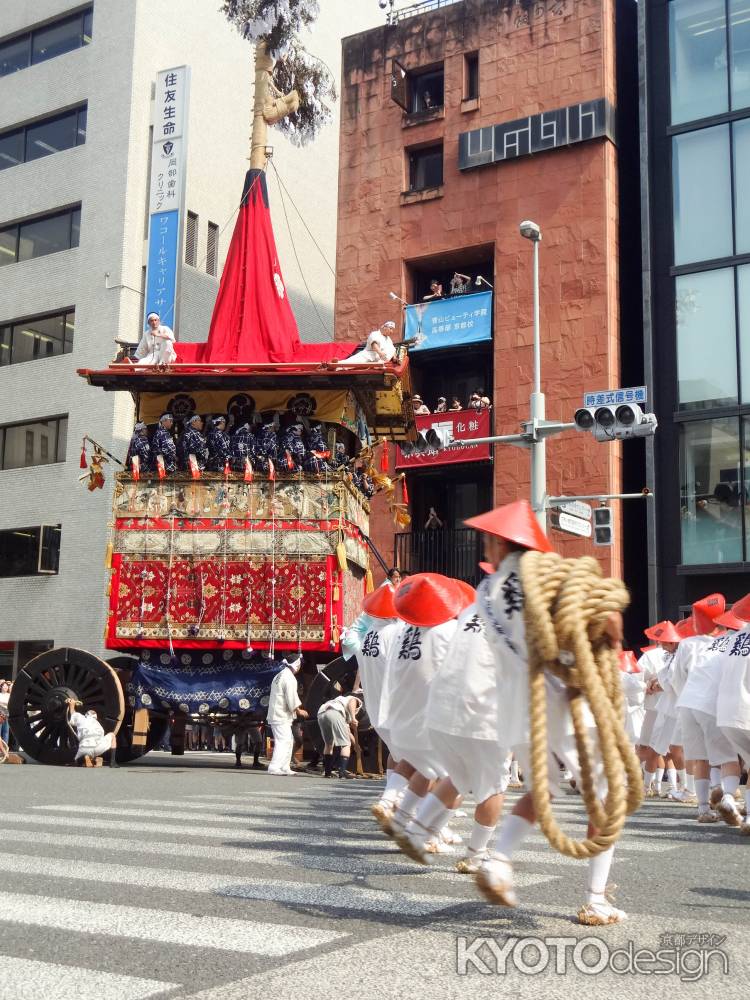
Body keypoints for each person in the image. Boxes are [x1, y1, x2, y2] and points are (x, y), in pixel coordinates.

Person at [465, 499, 630, 926]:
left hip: (519, 709)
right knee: (604, 797)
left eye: (489, 540)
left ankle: (498, 862)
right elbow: (607, 622)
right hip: (564, 699)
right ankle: (596, 899)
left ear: (503, 545)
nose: (485, 547)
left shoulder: (485, 592)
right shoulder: (552, 577)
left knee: (542, 790)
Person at [266, 657, 308, 775]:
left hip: (278, 712)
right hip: (280, 714)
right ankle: (274, 767)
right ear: (296, 665)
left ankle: (285, 766)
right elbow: (291, 697)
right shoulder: (289, 678)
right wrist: (298, 710)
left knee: (289, 740)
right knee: (283, 740)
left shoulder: (280, 675)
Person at [317, 693, 361, 778]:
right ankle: (342, 772)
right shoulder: (354, 699)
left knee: (329, 744)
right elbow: (353, 701)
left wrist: (356, 745)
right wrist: (353, 718)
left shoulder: (338, 700)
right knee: (346, 744)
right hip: (335, 712)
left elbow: (347, 732)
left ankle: (327, 773)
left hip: (322, 713)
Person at [66, 699, 118, 768]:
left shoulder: (81, 718)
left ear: (86, 714)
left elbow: (73, 713)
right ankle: (112, 762)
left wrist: (71, 705)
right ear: (95, 717)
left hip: (84, 748)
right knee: (112, 735)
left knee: (78, 758)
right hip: (98, 747)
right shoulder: (99, 725)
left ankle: (82, 759)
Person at [0, 681, 10, 747]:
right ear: (1, 687)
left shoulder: (9, 695)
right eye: (4, 686)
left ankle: (5, 747)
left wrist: (1, 703)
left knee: (6, 731)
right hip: (0, 714)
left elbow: (10, 704)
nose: (6, 687)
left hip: (7, 714)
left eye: (7, 686)